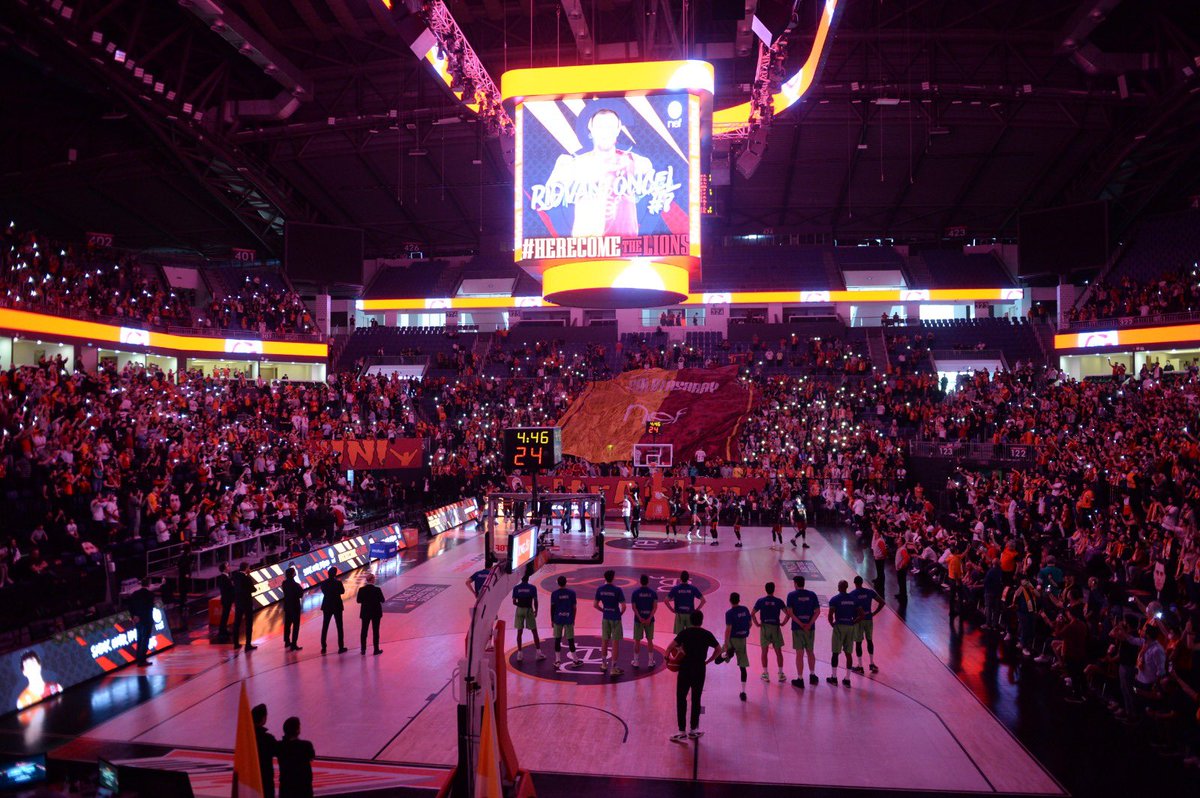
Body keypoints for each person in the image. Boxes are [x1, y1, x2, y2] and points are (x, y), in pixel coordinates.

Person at [541, 106, 654, 238]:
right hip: (585, 248)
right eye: (600, 127)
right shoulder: (573, 164)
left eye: (610, 127)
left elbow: (656, 195)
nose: (605, 132)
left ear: (618, 130)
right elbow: (546, 198)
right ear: (591, 128)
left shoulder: (637, 162)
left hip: (625, 249)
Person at [666, 610, 721, 742]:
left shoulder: (684, 633)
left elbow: (669, 647)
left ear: (690, 620)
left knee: (681, 698)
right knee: (696, 698)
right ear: (701, 621)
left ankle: (681, 731)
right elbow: (718, 649)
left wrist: (667, 658)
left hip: (685, 669)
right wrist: (709, 660)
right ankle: (693, 730)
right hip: (699, 669)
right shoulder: (707, 634)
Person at [786, 576, 821, 689]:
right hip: (810, 628)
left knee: (799, 654)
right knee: (810, 651)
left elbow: (790, 613)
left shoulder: (791, 595)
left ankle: (800, 679)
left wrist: (800, 624)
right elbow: (817, 611)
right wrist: (809, 624)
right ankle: (812, 675)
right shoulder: (812, 595)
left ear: (796, 583)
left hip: (797, 628)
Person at [827, 580, 861, 687]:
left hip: (839, 626)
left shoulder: (834, 599)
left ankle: (834, 677)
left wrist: (832, 624)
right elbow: (862, 615)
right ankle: (847, 679)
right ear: (846, 587)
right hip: (850, 626)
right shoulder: (854, 599)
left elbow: (830, 615)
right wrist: (853, 622)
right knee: (848, 653)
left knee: (835, 653)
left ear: (839, 587)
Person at [751, 582, 788, 683]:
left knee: (764, 652)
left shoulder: (760, 601)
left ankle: (765, 674)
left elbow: (752, 613)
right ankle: (780, 674)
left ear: (765, 589)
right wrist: (783, 623)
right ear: (774, 589)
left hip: (765, 627)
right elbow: (788, 614)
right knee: (778, 652)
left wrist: (757, 624)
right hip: (775, 627)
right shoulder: (779, 601)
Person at [847, 575, 884, 674]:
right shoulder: (869, 592)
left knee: (858, 643)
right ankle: (872, 664)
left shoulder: (852, 594)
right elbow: (882, 602)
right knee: (869, 641)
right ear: (862, 582)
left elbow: (850, 608)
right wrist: (874, 613)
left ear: (855, 583)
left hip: (858, 620)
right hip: (868, 619)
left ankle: (860, 666)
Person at [593, 569, 626, 676]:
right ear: (613, 577)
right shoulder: (617, 590)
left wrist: (604, 610)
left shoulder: (600, 589)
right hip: (615, 618)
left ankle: (603, 664)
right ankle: (614, 668)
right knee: (615, 642)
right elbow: (624, 606)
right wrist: (619, 614)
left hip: (605, 617)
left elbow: (595, 605)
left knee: (604, 641)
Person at [722, 593, 752, 701]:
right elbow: (750, 624)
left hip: (732, 640)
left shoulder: (729, 613)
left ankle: (727, 653)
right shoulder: (745, 609)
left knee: (719, 659)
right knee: (742, 667)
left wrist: (726, 643)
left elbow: (728, 629)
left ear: (730, 600)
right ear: (739, 600)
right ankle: (743, 692)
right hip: (742, 641)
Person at [277, 716, 315, 798]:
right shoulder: (306, 745)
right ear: (297, 730)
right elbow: (311, 757)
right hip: (303, 788)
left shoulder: (280, 746)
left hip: (286, 788)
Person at [512, 569, 544, 662]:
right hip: (529, 610)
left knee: (519, 632)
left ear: (521, 578)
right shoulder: (532, 588)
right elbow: (535, 601)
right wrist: (536, 610)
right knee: (534, 631)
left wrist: (520, 605)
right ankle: (538, 653)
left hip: (519, 610)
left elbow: (514, 602)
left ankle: (519, 654)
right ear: (528, 578)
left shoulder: (516, 588)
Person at [550, 576, 581, 669]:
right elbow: (574, 608)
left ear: (558, 583)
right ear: (566, 582)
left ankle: (558, 661)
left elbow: (552, 608)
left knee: (557, 640)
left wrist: (552, 619)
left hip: (558, 619)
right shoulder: (572, 593)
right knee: (570, 640)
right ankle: (575, 660)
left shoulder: (554, 594)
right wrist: (573, 618)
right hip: (568, 619)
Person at [127, 577, 157, 667]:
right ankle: (142, 659)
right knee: (145, 639)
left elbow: (130, 605)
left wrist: (134, 616)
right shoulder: (150, 594)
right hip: (146, 619)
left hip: (138, 619)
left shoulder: (135, 594)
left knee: (140, 638)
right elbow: (150, 606)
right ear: (149, 584)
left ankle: (139, 658)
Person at [630, 573, 657, 669]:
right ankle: (650, 661)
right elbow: (654, 607)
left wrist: (640, 617)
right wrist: (649, 618)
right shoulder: (653, 593)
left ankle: (636, 662)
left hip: (638, 620)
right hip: (650, 620)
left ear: (640, 581)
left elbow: (634, 607)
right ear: (648, 581)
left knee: (637, 641)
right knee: (650, 640)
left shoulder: (635, 593)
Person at [319, 566, 347, 654]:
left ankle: (323, 647)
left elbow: (324, 591)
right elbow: (342, 592)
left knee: (325, 626)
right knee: (339, 627)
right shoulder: (338, 583)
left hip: (327, 605)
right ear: (335, 574)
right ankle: (341, 647)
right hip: (337, 605)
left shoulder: (323, 583)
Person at [252, 703, 277, 798]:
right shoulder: (267, 738)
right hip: (265, 779)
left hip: (249, 779)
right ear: (263, 718)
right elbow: (279, 751)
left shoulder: (244, 737)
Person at [357, 572, 385, 655]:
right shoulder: (377, 589)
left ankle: (363, 649)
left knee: (364, 631)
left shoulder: (361, 590)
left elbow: (358, 601)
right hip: (376, 613)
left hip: (365, 612)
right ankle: (376, 649)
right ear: (372, 580)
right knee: (376, 631)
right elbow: (382, 600)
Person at [231, 561, 257, 651]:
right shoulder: (247, 578)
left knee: (237, 623)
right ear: (246, 568)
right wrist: (248, 575)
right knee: (249, 624)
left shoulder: (235, 576)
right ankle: (248, 645)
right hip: (247, 603)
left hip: (238, 602)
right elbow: (253, 589)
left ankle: (236, 643)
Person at [281, 567, 303, 651]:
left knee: (287, 625)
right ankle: (294, 644)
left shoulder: (284, 583)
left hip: (287, 607)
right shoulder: (295, 584)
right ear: (293, 574)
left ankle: (287, 641)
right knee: (295, 626)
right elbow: (300, 595)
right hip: (295, 607)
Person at [216, 562, 234, 642]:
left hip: (227, 599)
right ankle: (222, 631)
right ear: (224, 569)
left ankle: (224, 630)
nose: (229, 567)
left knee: (225, 615)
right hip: (226, 599)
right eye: (227, 566)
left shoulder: (226, 577)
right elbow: (227, 589)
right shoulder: (223, 578)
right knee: (224, 615)